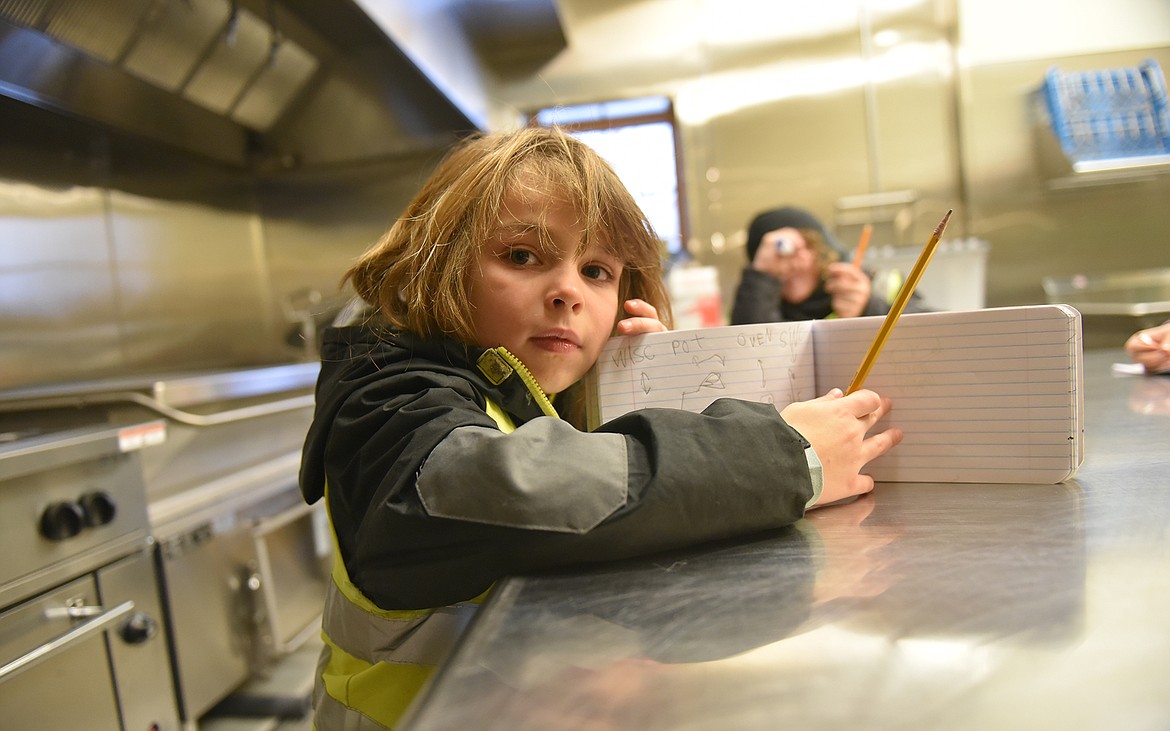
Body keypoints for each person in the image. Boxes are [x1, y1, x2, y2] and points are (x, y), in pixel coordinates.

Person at [298, 127, 903, 729]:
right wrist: (785, 457)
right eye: (521, 256)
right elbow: (519, 487)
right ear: (438, 260)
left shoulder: (521, 386)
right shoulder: (387, 392)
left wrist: (647, 383)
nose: (568, 291)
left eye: (596, 271)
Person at [730, 206, 928, 325]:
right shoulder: (753, 303)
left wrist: (870, 308)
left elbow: (936, 338)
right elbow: (749, 358)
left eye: (807, 245)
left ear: (825, 251)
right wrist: (760, 283)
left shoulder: (881, 285)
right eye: (775, 255)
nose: (791, 261)